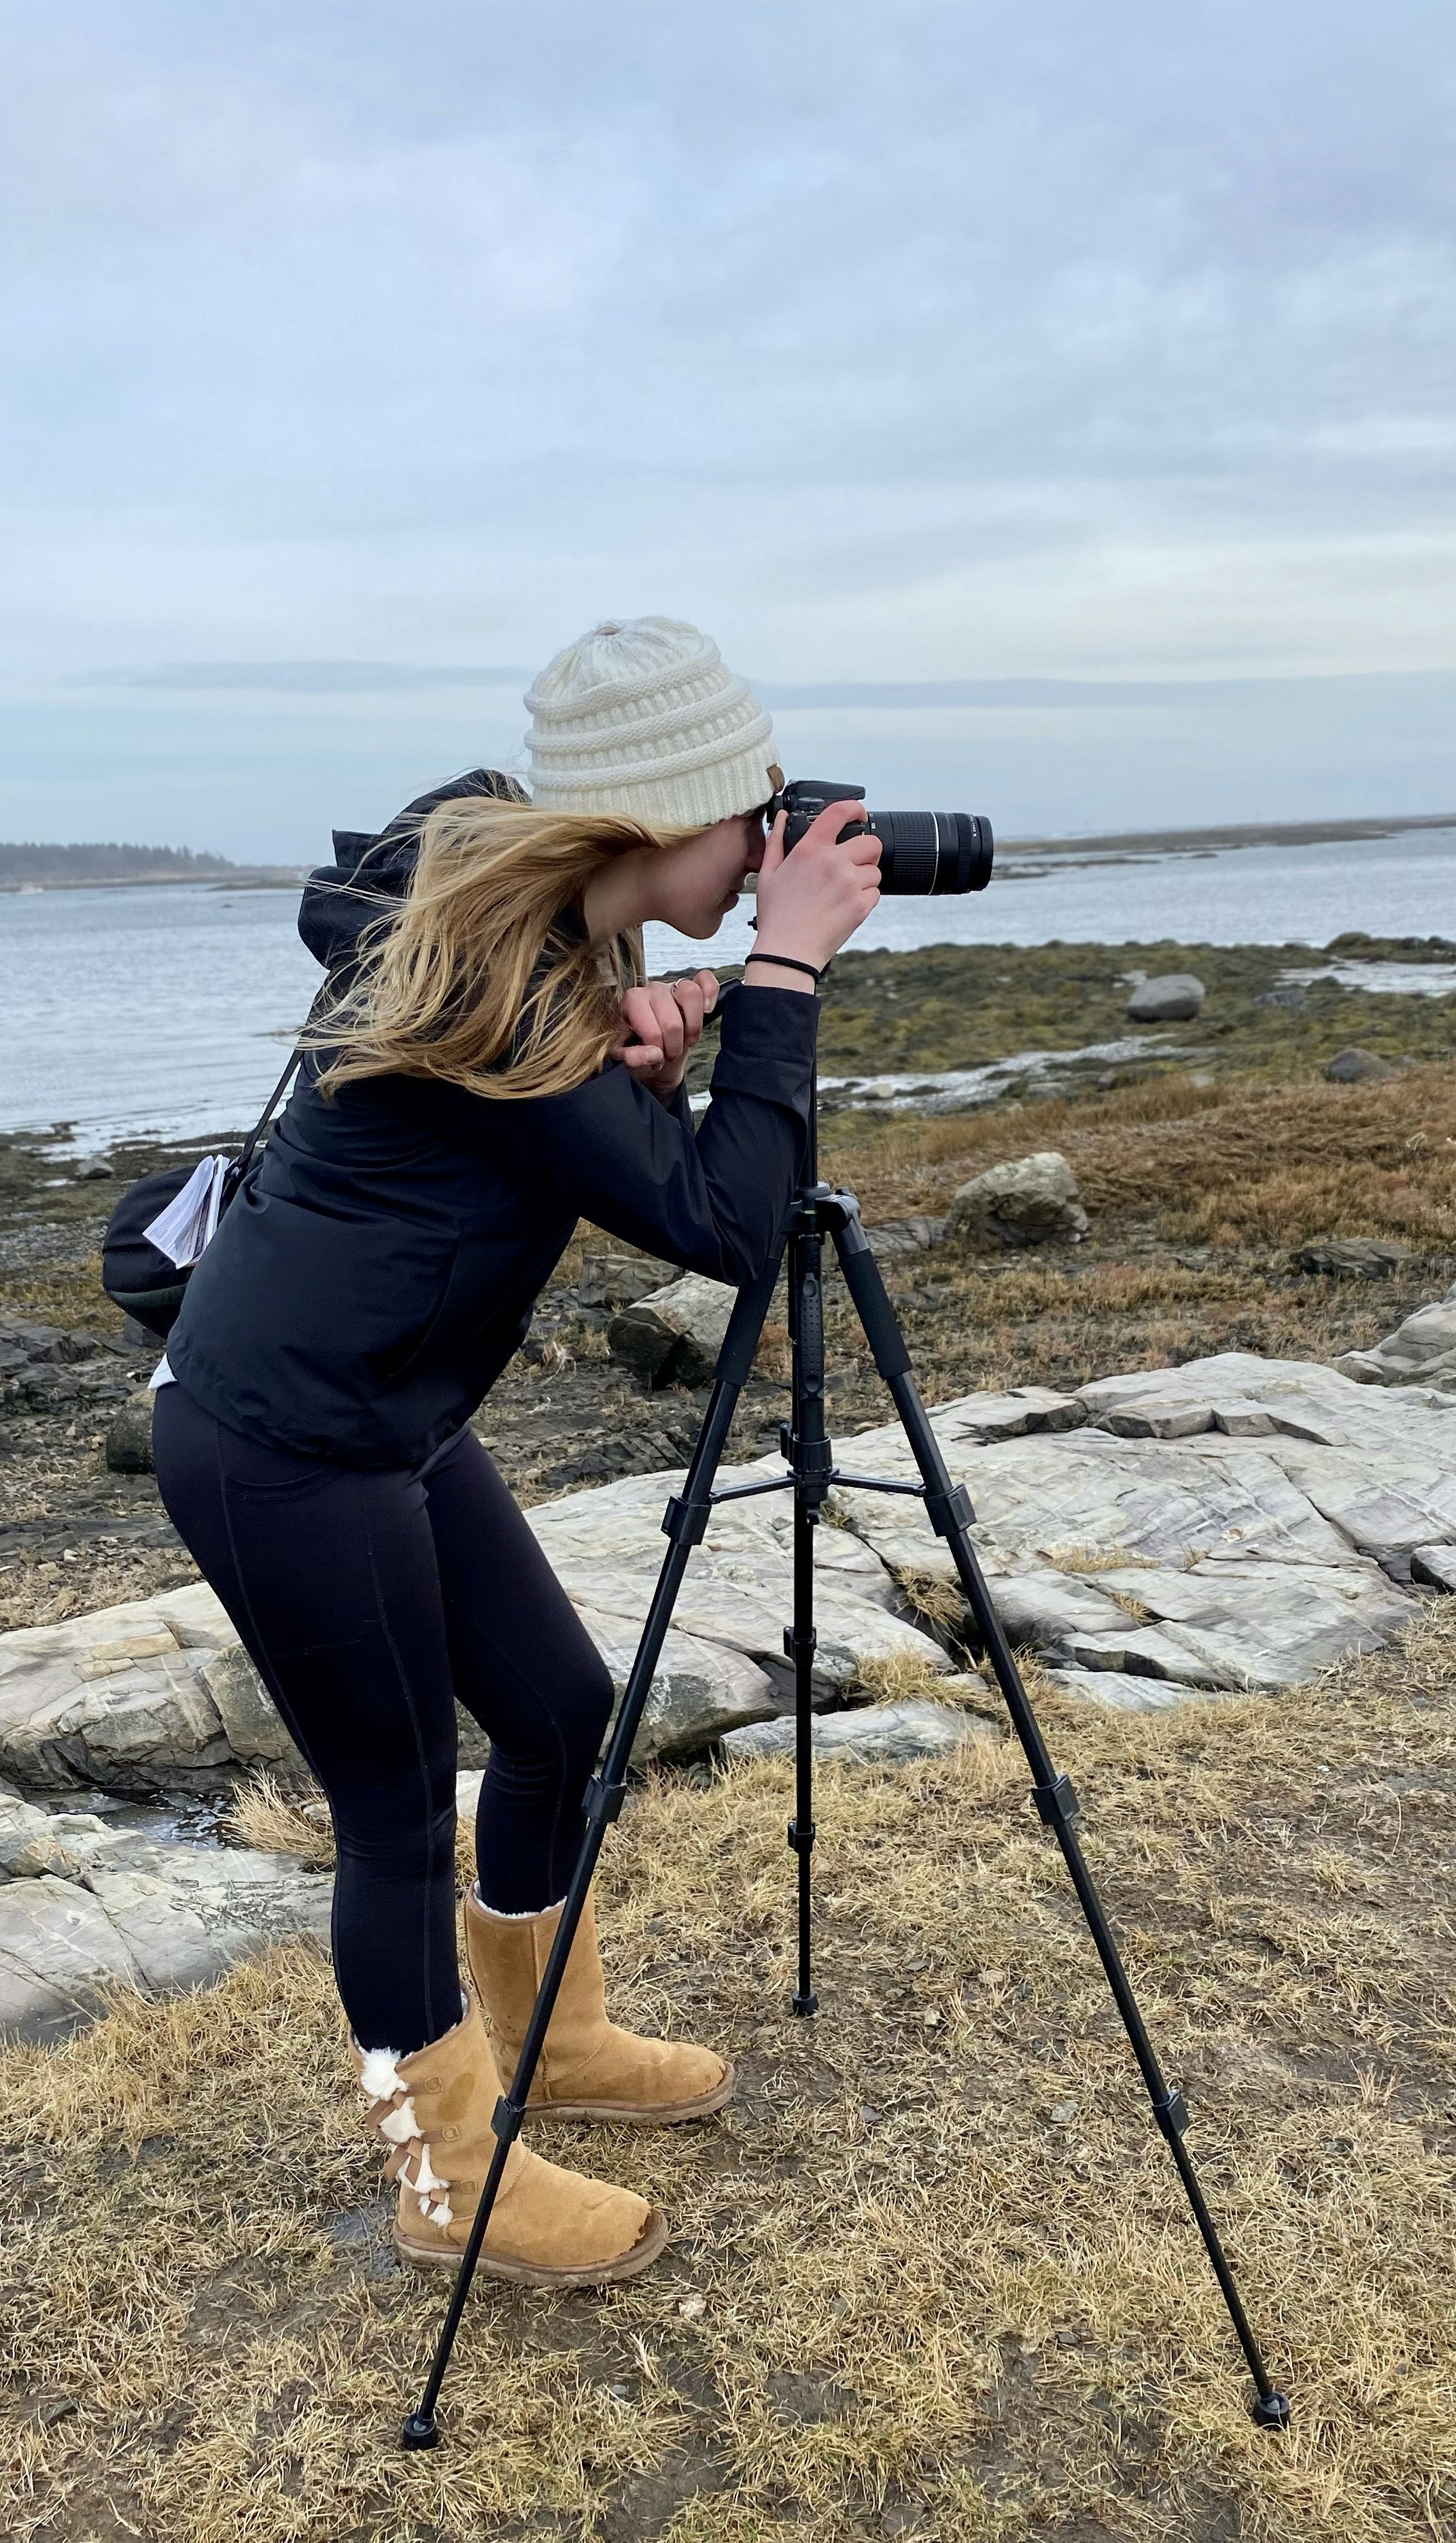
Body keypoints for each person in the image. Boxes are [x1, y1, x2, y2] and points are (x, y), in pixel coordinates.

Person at [150, 617, 882, 2287]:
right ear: (657, 816)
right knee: (394, 1813)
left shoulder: (545, 952)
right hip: (281, 1445)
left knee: (560, 1715)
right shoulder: (508, 975)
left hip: (393, 1419)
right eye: (753, 805)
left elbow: (635, 1159)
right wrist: (783, 967)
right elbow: (725, 1226)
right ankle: (448, 2169)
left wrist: (667, 1046)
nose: (776, 834)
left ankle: (549, 2039)